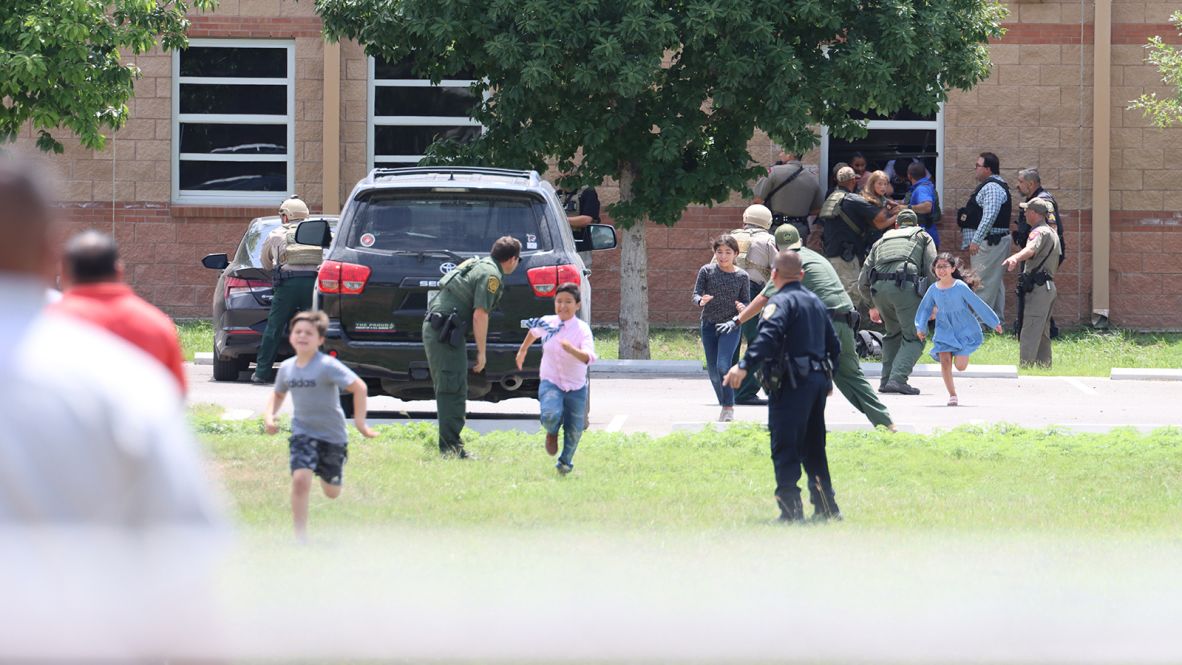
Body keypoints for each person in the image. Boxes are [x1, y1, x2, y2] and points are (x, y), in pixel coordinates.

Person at [719, 224, 896, 431]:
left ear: (776, 246)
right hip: (845, 320)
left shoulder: (787, 261)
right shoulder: (817, 257)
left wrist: (737, 320)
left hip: (820, 324)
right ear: (800, 241)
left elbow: (764, 298)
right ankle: (885, 423)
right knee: (851, 377)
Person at [722, 250, 842, 523]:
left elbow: (767, 339)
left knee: (785, 445)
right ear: (802, 275)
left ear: (773, 275)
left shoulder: (779, 303)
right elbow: (835, 346)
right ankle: (827, 508)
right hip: (816, 383)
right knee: (814, 447)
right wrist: (827, 378)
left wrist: (743, 366)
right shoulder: (815, 302)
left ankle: (790, 513)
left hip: (790, 384)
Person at [263, 310, 375, 541]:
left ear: (320, 340)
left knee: (331, 492)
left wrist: (361, 424)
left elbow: (359, 387)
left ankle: (332, 475)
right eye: (298, 332)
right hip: (303, 434)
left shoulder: (327, 365)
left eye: (309, 333)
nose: (302, 336)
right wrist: (269, 417)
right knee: (300, 479)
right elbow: (278, 394)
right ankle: (300, 537)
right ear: (291, 336)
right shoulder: (286, 367)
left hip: (333, 437)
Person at [423, 236, 522, 457]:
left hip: (442, 329)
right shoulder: (491, 275)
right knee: (452, 388)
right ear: (513, 259)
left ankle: (450, 444)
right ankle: (450, 448)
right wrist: (482, 353)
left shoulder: (477, 263)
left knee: (453, 386)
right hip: (444, 332)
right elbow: (480, 314)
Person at [54, 230, 187, 394]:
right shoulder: (159, 326)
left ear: (64, 274)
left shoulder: (44, 323)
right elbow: (175, 398)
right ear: (119, 271)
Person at [515, 283, 596, 474]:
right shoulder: (548, 322)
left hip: (576, 387)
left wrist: (571, 349)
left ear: (577, 305)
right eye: (559, 301)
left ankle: (565, 462)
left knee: (575, 429)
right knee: (550, 414)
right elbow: (533, 331)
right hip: (550, 381)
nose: (563, 306)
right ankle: (552, 432)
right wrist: (523, 350)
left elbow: (588, 358)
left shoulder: (582, 329)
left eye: (568, 302)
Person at [857, 209, 938, 395]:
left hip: (879, 291)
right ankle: (898, 379)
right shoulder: (922, 236)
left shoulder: (881, 240)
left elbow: (863, 279)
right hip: (905, 289)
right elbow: (932, 268)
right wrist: (933, 302)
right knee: (915, 336)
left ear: (896, 225)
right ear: (916, 224)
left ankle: (885, 381)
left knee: (893, 333)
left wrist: (872, 305)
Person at [914, 253, 1003, 406]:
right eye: (938, 267)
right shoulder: (933, 289)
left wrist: (993, 321)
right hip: (944, 329)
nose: (941, 270)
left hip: (963, 328)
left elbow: (977, 303)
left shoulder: (960, 286)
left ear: (953, 268)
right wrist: (920, 328)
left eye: (945, 266)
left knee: (960, 366)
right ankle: (952, 395)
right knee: (945, 362)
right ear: (934, 269)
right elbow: (924, 309)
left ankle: (959, 351)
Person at [252, 195, 323, 384]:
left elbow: (266, 264)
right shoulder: (317, 233)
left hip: (287, 286)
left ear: (286, 216)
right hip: (313, 285)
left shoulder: (276, 234)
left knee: (274, 328)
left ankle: (262, 372)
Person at [816, 166, 894, 308]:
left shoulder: (833, 197)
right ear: (853, 180)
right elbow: (880, 218)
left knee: (838, 290)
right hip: (846, 254)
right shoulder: (853, 199)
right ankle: (849, 326)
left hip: (831, 251)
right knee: (852, 291)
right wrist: (891, 207)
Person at [692, 234, 751, 421]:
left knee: (723, 366)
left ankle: (728, 408)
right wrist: (701, 301)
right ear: (714, 253)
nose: (723, 256)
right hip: (709, 325)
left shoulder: (742, 276)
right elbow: (695, 294)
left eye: (728, 252)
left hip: (731, 326)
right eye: (719, 252)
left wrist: (742, 308)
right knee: (713, 371)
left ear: (736, 254)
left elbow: (747, 302)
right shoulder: (706, 271)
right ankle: (724, 402)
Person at [727, 204, 779, 406]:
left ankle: (727, 389)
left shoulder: (731, 237)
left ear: (745, 218)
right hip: (751, 293)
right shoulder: (768, 240)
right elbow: (779, 269)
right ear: (767, 221)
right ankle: (746, 391)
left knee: (730, 343)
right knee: (759, 343)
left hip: (725, 290)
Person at [1003, 198, 1061, 367]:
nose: (1025, 214)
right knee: (1042, 331)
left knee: (1029, 328)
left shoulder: (1038, 232)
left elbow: (1031, 249)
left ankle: (1025, 365)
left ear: (1035, 213)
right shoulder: (1051, 232)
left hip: (1039, 287)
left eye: (1027, 210)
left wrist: (1015, 257)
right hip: (1048, 287)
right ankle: (1043, 366)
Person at [958, 152, 1012, 320]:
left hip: (989, 243)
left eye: (978, 166)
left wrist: (976, 240)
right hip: (989, 242)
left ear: (988, 169)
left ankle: (980, 323)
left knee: (981, 283)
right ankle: (996, 321)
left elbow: (989, 216)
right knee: (994, 282)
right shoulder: (990, 186)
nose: (975, 169)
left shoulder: (993, 187)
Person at [1012, 168, 1065, 337]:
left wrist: (1037, 251)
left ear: (1031, 183)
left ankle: (1037, 330)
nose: (1017, 185)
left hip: (1041, 254)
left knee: (1034, 288)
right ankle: (1036, 329)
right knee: (1031, 289)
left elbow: (1051, 229)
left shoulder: (1044, 201)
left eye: (1020, 182)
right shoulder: (1033, 200)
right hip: (1034, 251)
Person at [754, 150, 823, 242]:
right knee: (797, 255)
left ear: (790, 154)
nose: (780, 154)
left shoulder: (774, 171)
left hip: (777, 227)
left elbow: (757, 199)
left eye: (782, 151)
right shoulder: (812, 178)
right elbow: (818, 209)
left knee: (776, 255)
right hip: (800, 229)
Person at [903, 161, 940, 247]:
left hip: (924, 239)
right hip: (927, 237)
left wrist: (906, 207)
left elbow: (927, 207)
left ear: (909, 175)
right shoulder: (925, 186)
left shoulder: (921, 189)